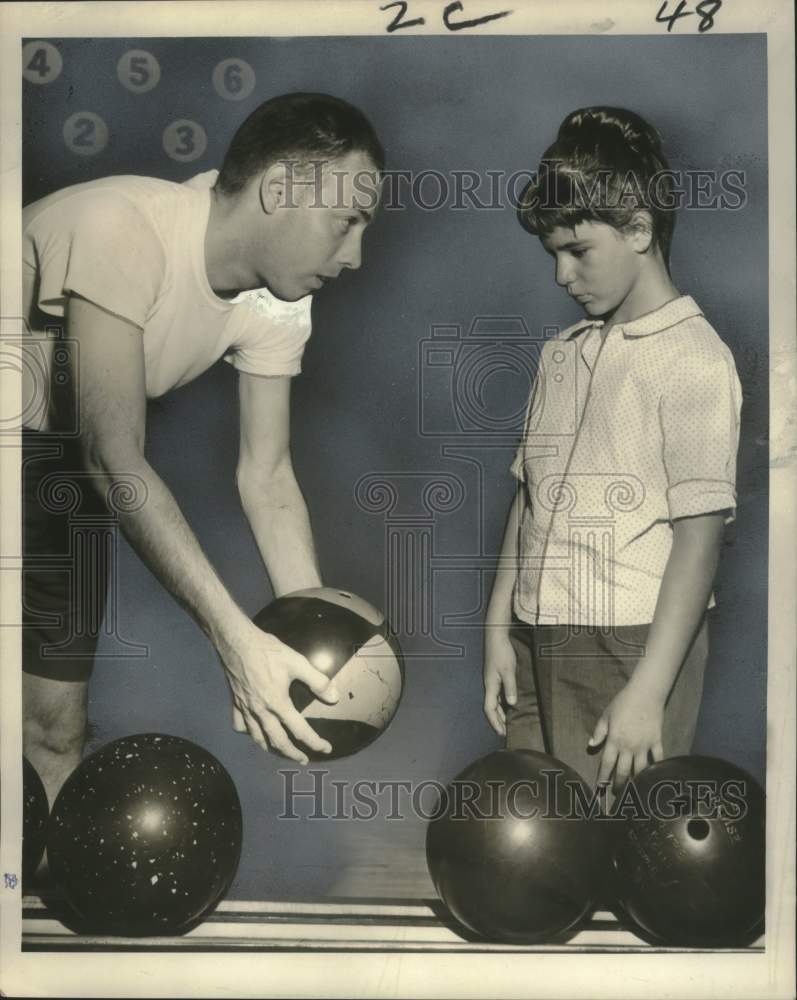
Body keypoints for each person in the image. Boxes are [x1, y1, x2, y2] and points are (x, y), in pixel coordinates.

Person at [21, 92, 384, 806]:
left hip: (54, 468)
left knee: (55, 734)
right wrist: (236, 642)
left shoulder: (279, 300)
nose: (355, 256)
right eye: (346, 223)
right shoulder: (121, 226)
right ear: (280, 190)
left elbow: (268, 476)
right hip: (68, 453)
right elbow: (114, 458)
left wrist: (315, 646)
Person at [482, 107, 743, 796]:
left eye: (578, 251)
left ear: (637, 228)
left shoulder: (693, 360)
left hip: (629, 642)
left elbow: (699, 540)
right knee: (535, 842)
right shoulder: (560, 354)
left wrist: (647, 692)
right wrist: (496, 628)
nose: (562, 275)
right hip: (536, 632)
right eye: (553, 256)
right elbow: (527, 496)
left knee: (612, 847)